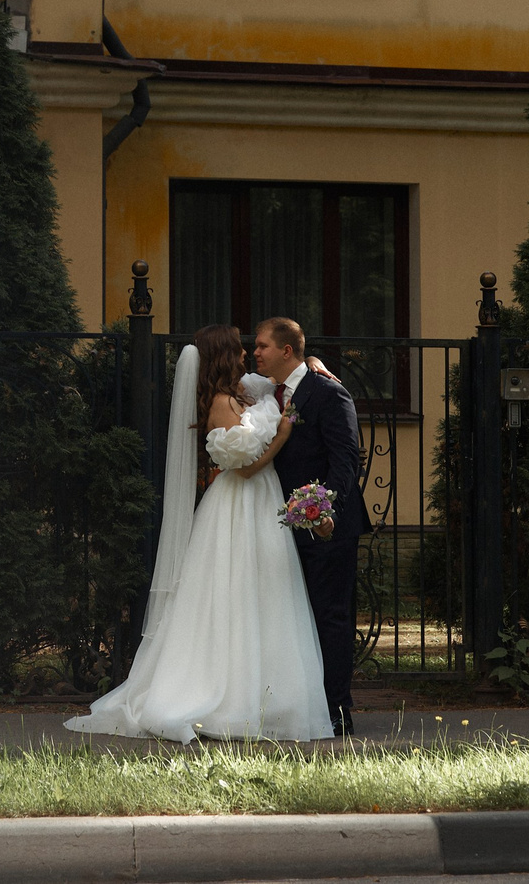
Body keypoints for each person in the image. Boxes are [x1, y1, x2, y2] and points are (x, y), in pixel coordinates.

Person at [65, 324, 334, 742]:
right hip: (238, 503)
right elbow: (243, 467)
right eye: (240, 349)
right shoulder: (221, 404)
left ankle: (274, 695)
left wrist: (313, 362)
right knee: (230, 593)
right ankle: (224, 695)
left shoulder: (247, 389)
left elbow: (286, 376)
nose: (249, 354)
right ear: (225, 355)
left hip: (263, 501)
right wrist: (281, 437)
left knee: (266, 591)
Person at [255, 315, 368, 736]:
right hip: (284, 526)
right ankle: (299, 706)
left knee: (331, 616)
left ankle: (338, 711)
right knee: (291, 618)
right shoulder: (269, 391)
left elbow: (346, 462)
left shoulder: (328, 392)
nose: (256, 352)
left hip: (327, 526)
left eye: (263, 346)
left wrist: (323, 511)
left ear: (286, 351)